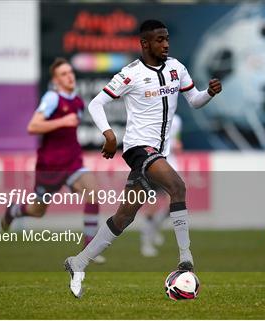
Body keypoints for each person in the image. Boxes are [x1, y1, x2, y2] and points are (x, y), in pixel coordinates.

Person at [63, 19, 222, 298]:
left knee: (125, 215)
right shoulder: (131, 74)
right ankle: (186, 260)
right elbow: (96, 103)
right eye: (160, 40)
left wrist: (208, 93)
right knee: (177, 187)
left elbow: (194, 100)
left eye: (167, 39)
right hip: (139, 149)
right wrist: (110, 136)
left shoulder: (177, 68)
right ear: (145, 43)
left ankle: (79, 262)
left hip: (159, 151)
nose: (166, 44)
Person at [1, 58, 105, 263]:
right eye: (64, 74)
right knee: (37, 211)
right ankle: (14, 210)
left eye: (71, 72)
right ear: (56, 80)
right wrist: (62, 121)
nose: (70, 76)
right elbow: (33, 127)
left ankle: (90, 249)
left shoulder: (77, 102)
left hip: (73, 162)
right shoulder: (52, 98)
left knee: (93, 193)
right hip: (50, 166)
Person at [140, 114, 183, 257]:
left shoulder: (176, 120)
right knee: (152, 205)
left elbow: (176, 141)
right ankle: (146, 242)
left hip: (171, 164)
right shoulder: (150, 116)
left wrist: (176, 144)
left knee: (174, 204)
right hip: (153, 164)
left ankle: (154, 230)